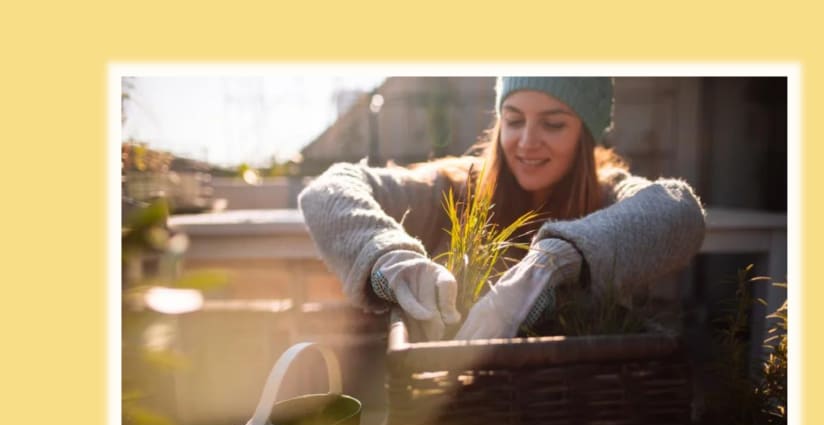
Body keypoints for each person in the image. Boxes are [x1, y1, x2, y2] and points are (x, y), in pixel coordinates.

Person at [298, 77, 706, 342]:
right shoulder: (456, 190)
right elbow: (328, 190)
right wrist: (393, 260)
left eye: (553, 124)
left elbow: (680, 210)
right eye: (514, 120)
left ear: (585, 133)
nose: (527, 142)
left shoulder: (608, 196)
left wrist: (551, 264)